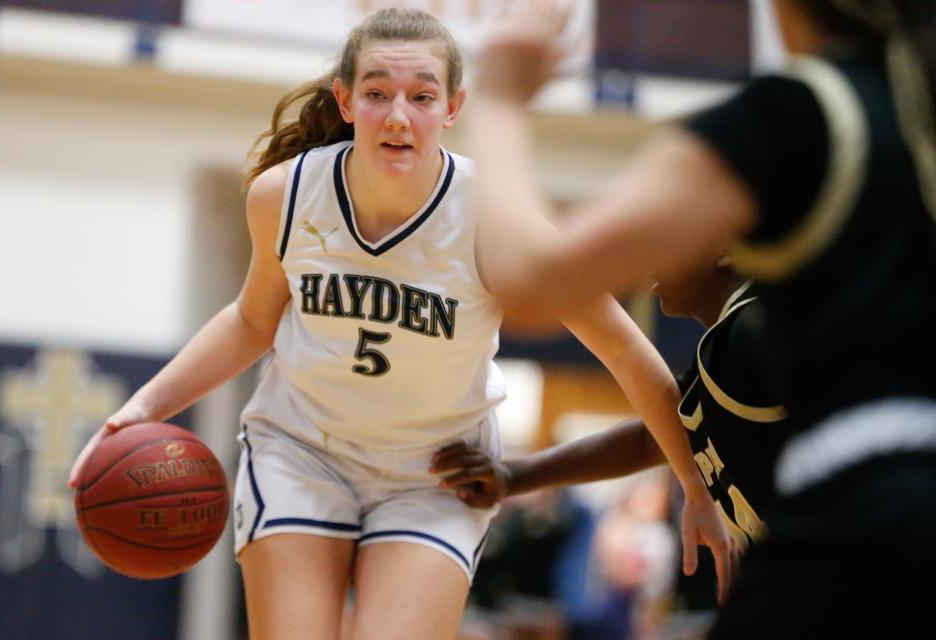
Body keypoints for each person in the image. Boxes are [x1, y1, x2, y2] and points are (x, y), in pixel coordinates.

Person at [67, 9, 732, 639]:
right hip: (302, 452)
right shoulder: (285, 195)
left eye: (421, 95)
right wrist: (144, 405)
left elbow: (625, 349)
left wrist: (693, 484)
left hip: (434, 473)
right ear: (347, 101)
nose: (399, 115)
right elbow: (249, 321)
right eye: (378, 92)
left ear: (453, 108)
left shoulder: (492, 218)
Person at [467, 0, 936, 636]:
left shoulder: (797, 116)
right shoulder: (908, 106)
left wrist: (497, 99)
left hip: (867, 515)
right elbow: (670, 429)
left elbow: (531, 285)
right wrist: (520, 474)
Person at [433, 258, 787, 597]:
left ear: (722, 248)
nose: (651, 265)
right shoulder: (721, 352)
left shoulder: (761, 326)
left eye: (668, 243)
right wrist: (514, 477)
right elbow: (655, 437)